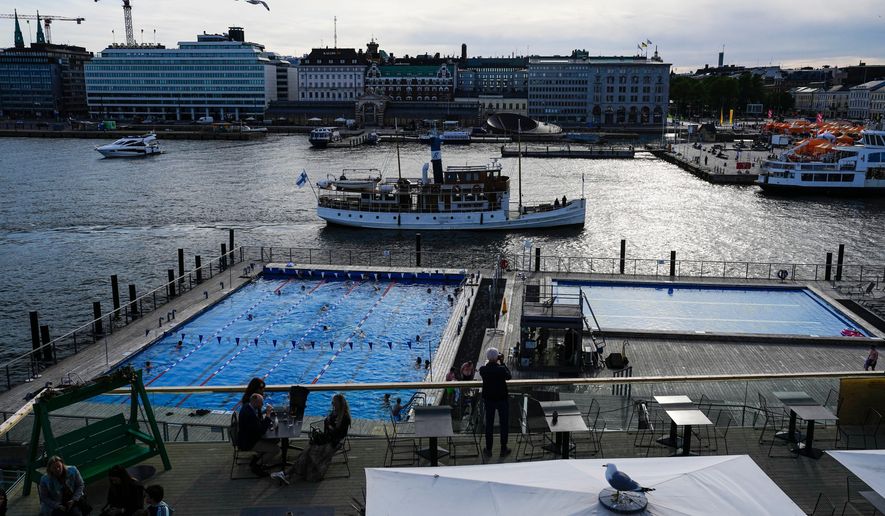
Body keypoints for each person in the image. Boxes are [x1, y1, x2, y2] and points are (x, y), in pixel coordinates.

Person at [272, 394, 352, 484]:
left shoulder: (345, 418)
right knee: (306, 451)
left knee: (310, 451)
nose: (332, 403)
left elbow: (339, 435)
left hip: (334, 443)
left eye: (334, 402)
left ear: (339, 404)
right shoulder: (334, 413)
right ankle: (287, 474)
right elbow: (328, 428)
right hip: (327, 439)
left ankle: (288, 474)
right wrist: (325, 433)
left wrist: (329, 430)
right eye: (332, 401)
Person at [479, 348, 512, 458]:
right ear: (497, 357)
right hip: (502, 399)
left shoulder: (483, 370)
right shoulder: (501, 369)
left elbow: (488, 368)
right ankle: (503, 448)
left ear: (488, 358)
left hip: (489, 400)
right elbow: (509, 376)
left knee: (489, 425)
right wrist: (502, 362)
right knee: (504, 424)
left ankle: (488, 449)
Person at [237, 393, 280, 476]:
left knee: (276, 440)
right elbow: (262, 431)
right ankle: (257, 466)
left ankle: (257, 458)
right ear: (255, 403)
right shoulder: (249, 415)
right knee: (276, 449)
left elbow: (257, 424)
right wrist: (267, 414)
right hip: (249, 442)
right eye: (261, 403)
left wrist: (263, 412)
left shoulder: (247, 406)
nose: (263, 404)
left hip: (246, 437)